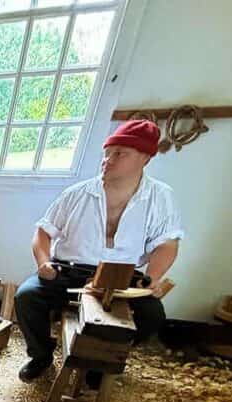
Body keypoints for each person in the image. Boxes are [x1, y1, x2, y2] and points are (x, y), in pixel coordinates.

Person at [14, 119, 184, 382]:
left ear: (145, 159)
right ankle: (41, 355)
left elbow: (167, 243)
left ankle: (100, 362)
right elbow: (43, 232)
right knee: (26, 297)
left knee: (152, 316)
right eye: (107, 153)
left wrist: (153, 278)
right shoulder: (77, 193)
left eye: (120, 154)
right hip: (70, 271)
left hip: (123, 278)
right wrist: (43, 263)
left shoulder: (160, 197)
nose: (108, 159)